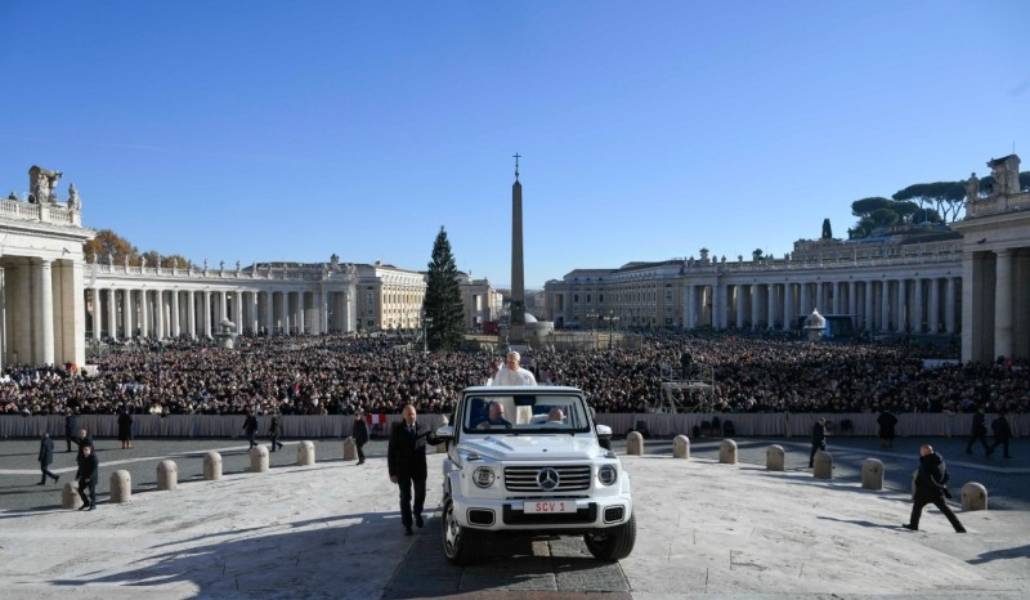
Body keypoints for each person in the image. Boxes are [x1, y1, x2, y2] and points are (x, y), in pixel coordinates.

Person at [387, 404, 437, 536]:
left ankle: (418, 512)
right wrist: (392, 473)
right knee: (405, 497)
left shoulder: (424, 428)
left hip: (419, 468)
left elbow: (433, 440)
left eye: (413, 414)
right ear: (403, 415)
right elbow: (391, 452)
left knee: (421, 494)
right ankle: (408, 525)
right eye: (408, 414)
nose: (411, 416)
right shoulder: (397, 429)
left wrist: (446, 436)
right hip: (402, 469)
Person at [903, 444, 965, 533]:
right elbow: (946, 475)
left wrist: (926, 485)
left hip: (926, 490)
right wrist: (942, 485)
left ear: (925, 452)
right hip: (936, 491)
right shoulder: (940, 460)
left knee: (917, 507)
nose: (920, 453)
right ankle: (959, 528)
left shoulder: (926, 462)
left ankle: (913, 525)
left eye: (921, 451)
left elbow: (927, 478)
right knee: (945, 510)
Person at [76, 444, 100, 511]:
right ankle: (86, 503)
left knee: (91, 491)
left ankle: (93, 505)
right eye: (84, 450)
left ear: (90, 450)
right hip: (83, 476)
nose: (85, 451)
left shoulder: (94, 458)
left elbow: (94, 470)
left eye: (87, 450)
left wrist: (89, 477)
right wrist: (77, 476)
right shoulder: (82, 457)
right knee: (80, 490)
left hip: (92, 478)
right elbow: (80, 467)